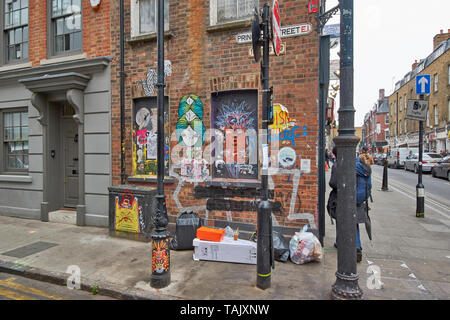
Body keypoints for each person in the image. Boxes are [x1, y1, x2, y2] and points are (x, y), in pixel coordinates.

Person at [327, 147, 372, 263]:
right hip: (359, 197)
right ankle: (357, 246)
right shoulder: (360, 163)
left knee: (340, 217)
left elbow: (333, 182)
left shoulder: (339, 164)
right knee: (354, 220)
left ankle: (341, 242)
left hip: (344, 196)